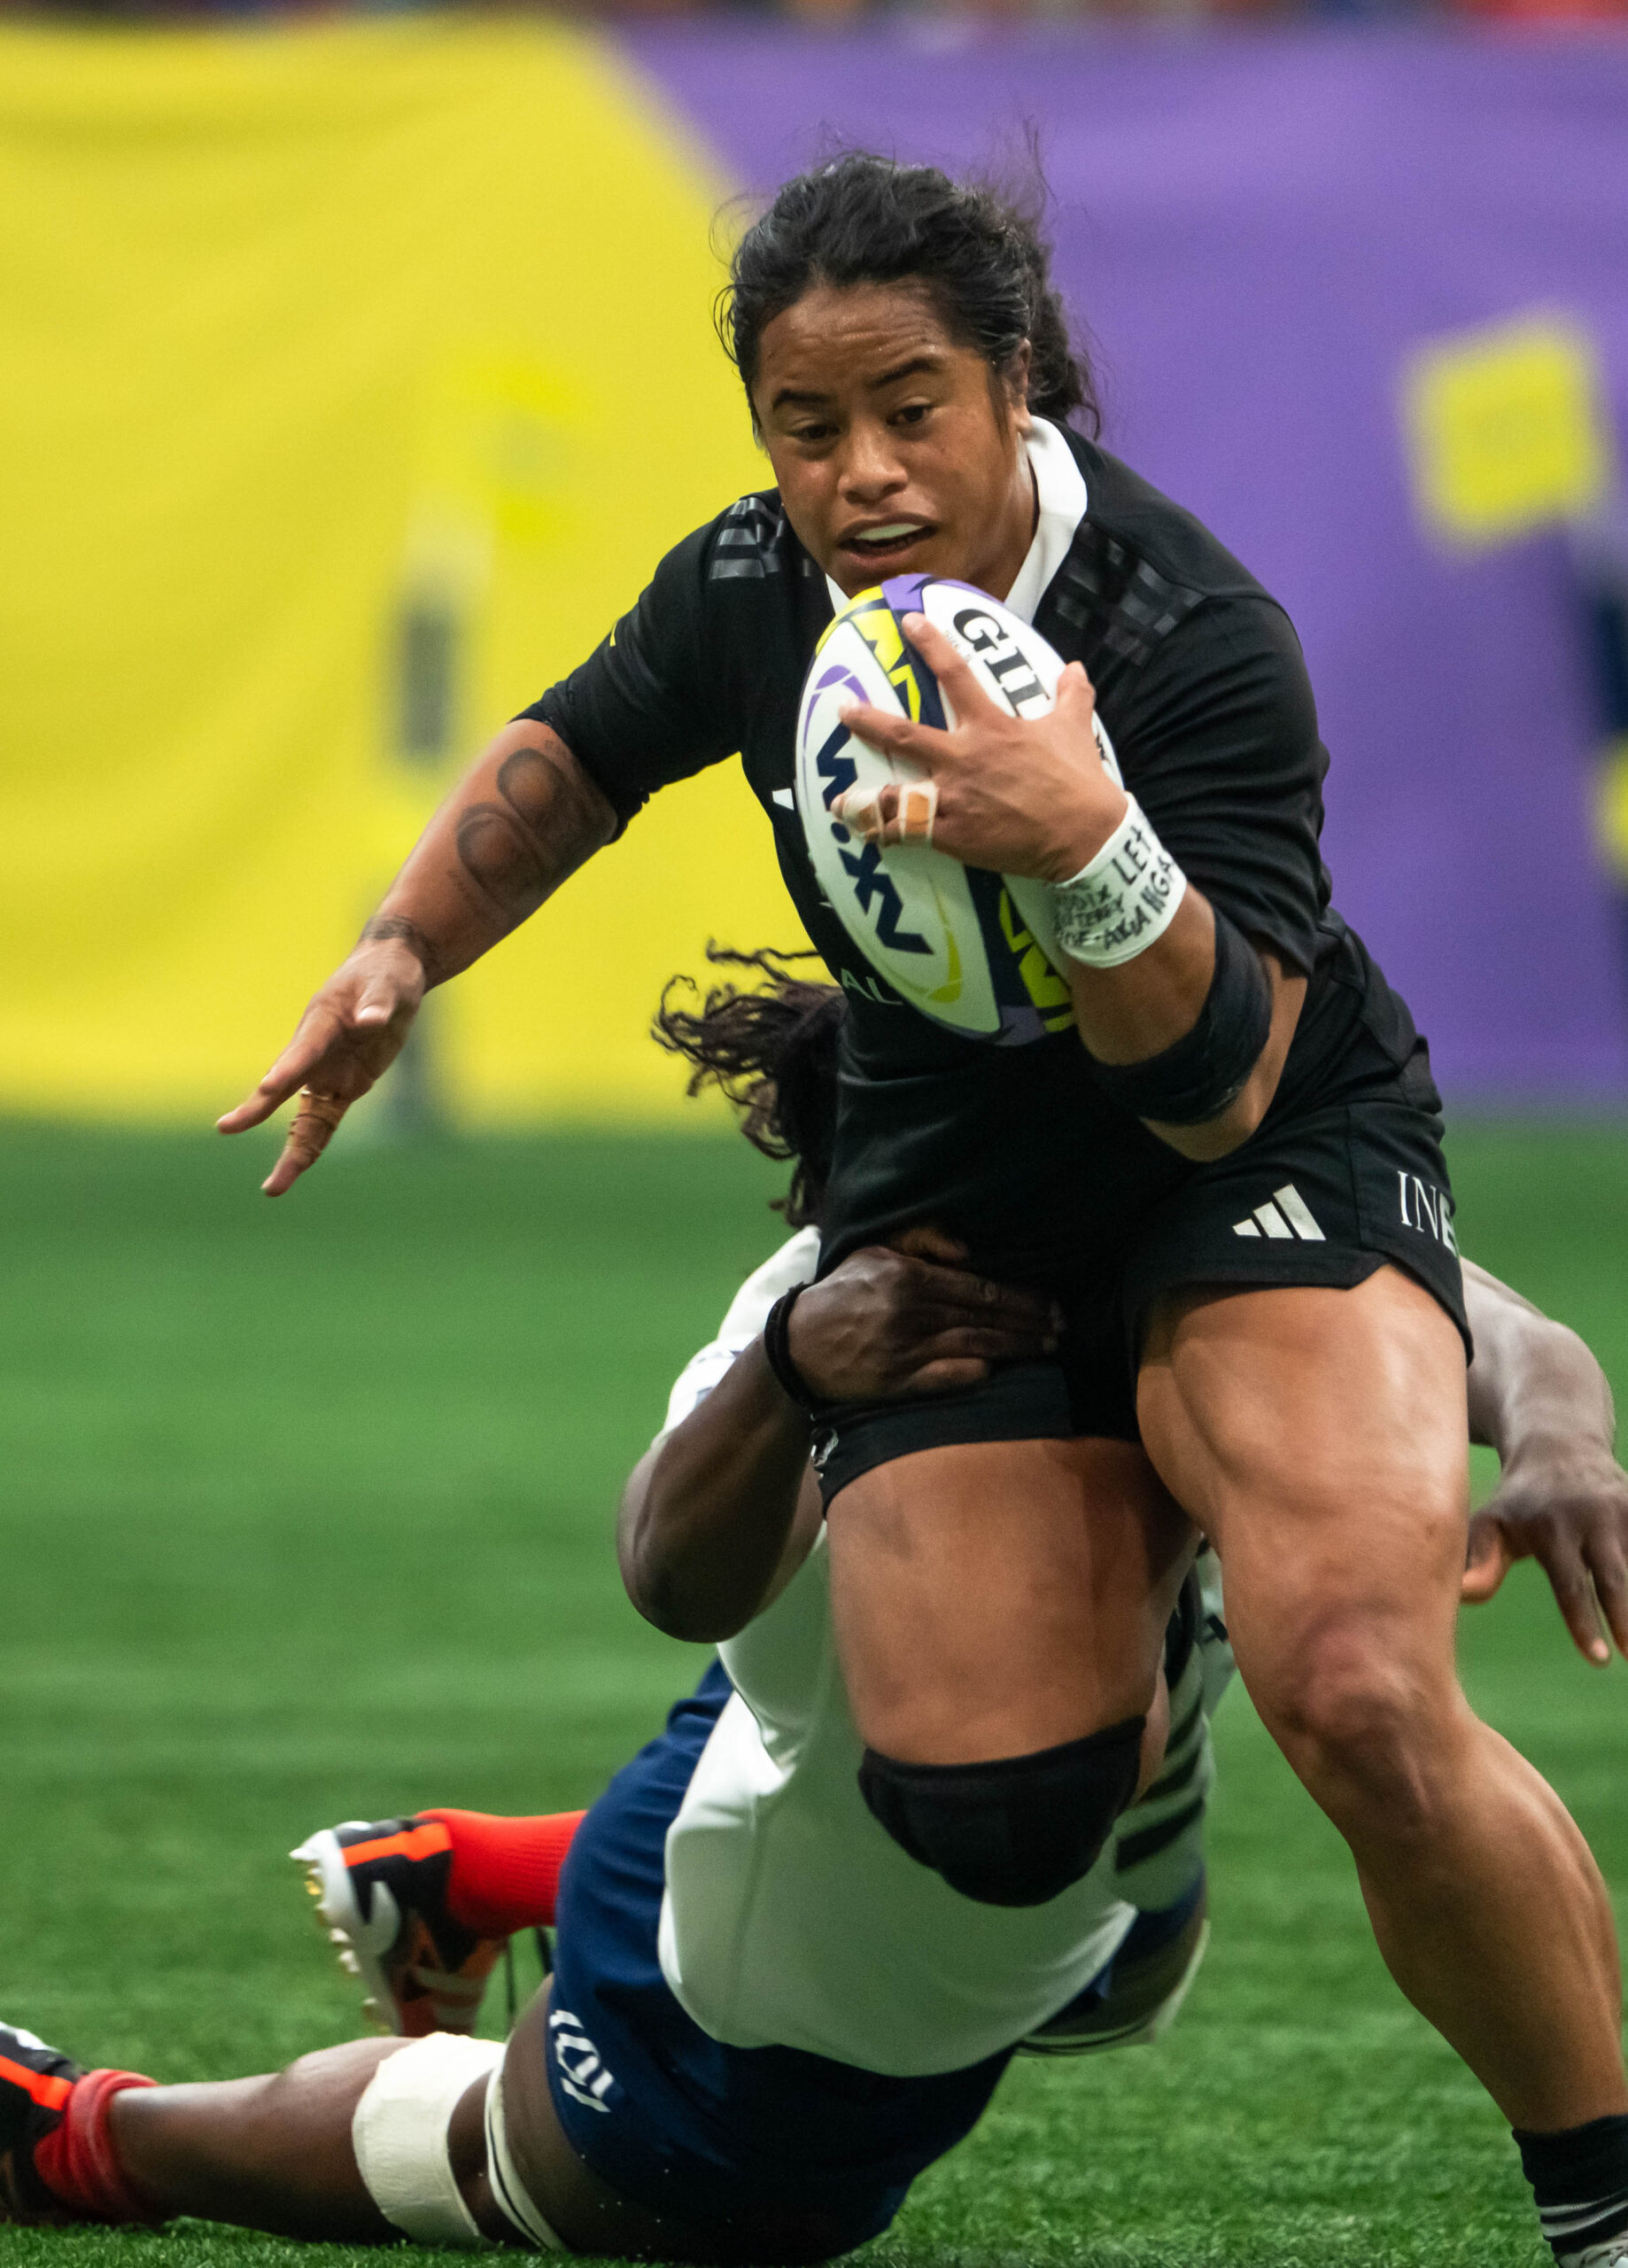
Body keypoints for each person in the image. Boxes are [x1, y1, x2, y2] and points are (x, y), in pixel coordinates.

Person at [218, 157, 1628, 2260]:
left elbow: (1213, 1075)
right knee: (995, 1809)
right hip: (961, 1182)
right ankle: (1145, 1735)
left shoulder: (1189, 634)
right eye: (807, 425)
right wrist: (401, 949)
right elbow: (575, 753)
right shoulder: (751, 588)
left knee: (1361, 1687)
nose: (861, 471)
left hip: (1251, 1147)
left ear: (1021, 386)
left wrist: (1085, 841)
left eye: (911, 408)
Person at [14, 962, 1628, 2257]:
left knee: (1133, 1926)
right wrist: (796, 1374)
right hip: (784, 1948)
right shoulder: (838, 1316)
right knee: (550, 2169)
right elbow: (665, 1568)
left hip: (764, 1762)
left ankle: (464, 1877)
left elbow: (1470, 1315)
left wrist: (1558, 1438)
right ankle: (86, 2137)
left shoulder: (1182, 1238)